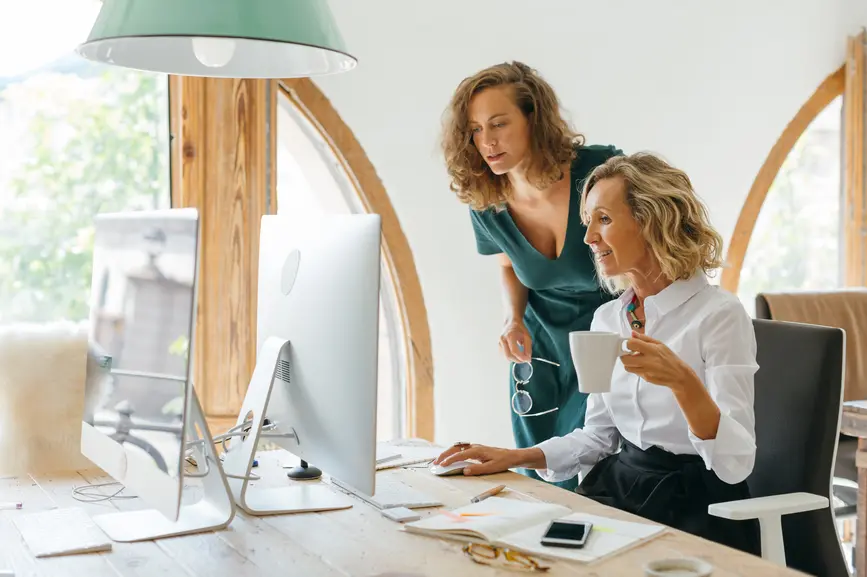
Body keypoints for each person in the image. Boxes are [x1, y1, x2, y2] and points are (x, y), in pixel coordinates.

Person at [434, 152, 760, 554]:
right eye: (588, 223)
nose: (588, 239)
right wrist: (512, 456)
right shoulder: (608, 318)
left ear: (653, 219)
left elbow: (736, 463)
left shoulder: (719, 315)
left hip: (696, 505)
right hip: (620, 488)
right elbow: (599, 437)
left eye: (603, 220)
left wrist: (683, 383)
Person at [441, 61, 621, 491]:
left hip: (606, 340)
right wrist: (512, 319)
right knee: (536, 476)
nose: (487, 141)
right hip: (539, 350)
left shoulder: (601, 172)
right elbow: (508, 264)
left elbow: (648, 254)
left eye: (499, 123)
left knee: (595, 469)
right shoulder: (486, 201)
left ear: (533, 119)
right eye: (475, 130)